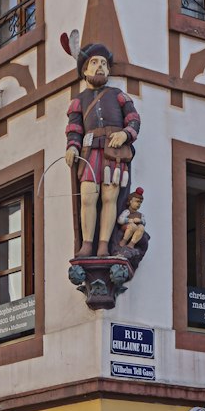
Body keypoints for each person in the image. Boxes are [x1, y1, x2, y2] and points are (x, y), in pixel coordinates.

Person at [65, 43, 141, 258]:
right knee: (88, 197)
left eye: (104, 64)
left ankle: (103, 245)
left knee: (110, 198)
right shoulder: (78, 100)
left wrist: (125, 134)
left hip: (114, 153)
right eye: (94, 63)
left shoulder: (118, 94)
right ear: (85, 70)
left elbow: (133, 119)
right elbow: (74, 127)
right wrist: (72, 146)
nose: (100, 67)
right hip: (90, 152)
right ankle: (87, 243)